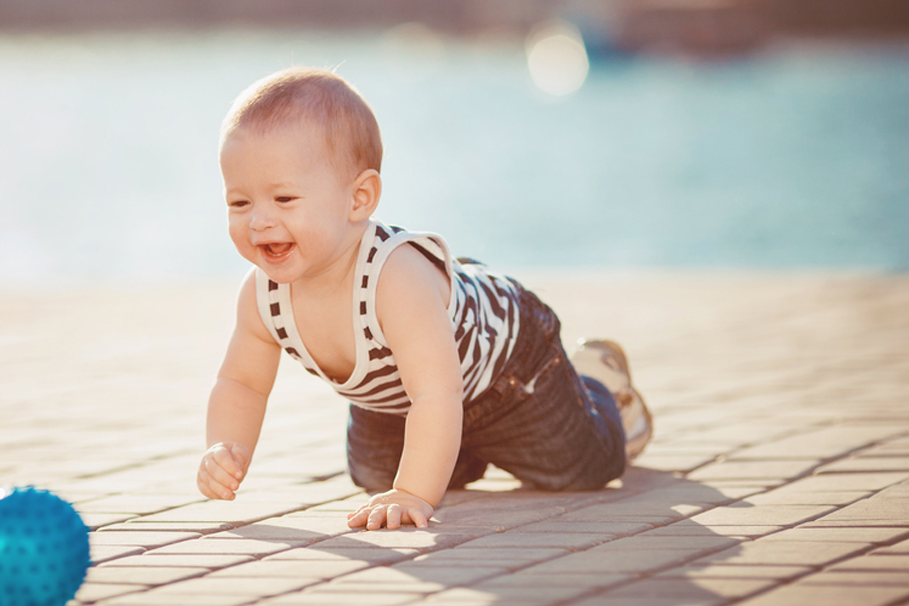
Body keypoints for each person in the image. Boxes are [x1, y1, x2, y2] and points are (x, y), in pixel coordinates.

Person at [196, 67, 653, 531]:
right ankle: (462, 450)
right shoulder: (262, 296)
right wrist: (224, 448)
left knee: (576, 469)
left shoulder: (394, 279)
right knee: (375, 476)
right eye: (240, 203)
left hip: (509, 371)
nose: (259, 221)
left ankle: (599, 385)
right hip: (406, 399)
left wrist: (414, 493)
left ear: (359, 199)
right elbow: (242, 384)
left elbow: (437, 391)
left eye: (285, 199)